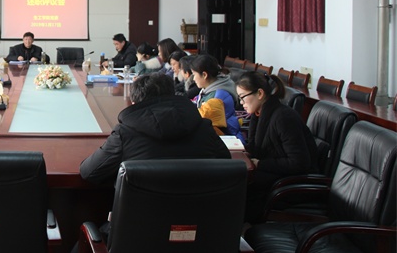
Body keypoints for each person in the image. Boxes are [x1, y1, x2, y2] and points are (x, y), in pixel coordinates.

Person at [79, 73, 231, 185]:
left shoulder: (124, 134)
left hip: (140, 219)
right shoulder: (203, 127)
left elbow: (89, 172)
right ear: (172, 95)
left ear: (134, 103)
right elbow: (226, 163)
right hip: (200, 216)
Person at [236, 71, 318, 223]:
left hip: (291, 184)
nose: (241, 102)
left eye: (242, 97)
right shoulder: (259, 114)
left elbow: (299, 163)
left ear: (260, 93)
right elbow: (256, 147)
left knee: (238, 188)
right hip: (276, 176)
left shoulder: (283, 117)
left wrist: (260, 163)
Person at [191, 54, 245, 143]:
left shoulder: (218, 96)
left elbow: (205, 121)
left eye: (194, 74)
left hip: (228, 140)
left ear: (204, 75)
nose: (193, 79)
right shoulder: (210, 88)